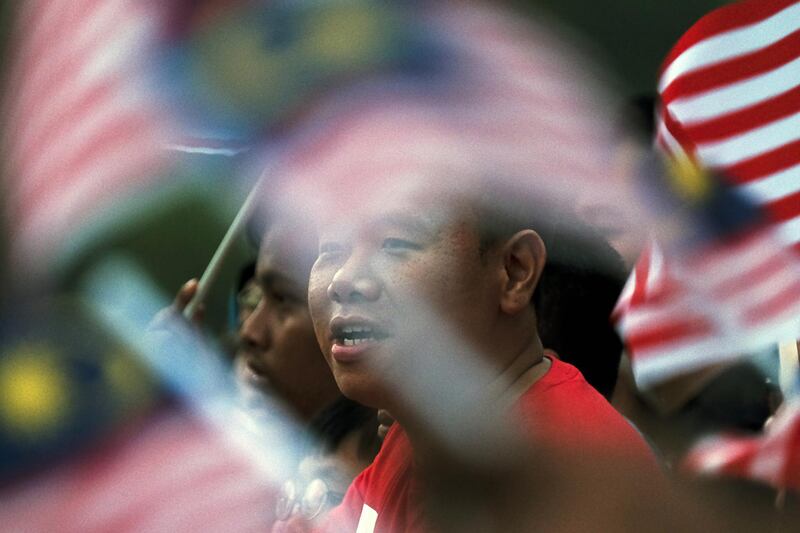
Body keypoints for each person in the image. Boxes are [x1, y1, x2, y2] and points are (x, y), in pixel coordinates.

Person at [273, 168, 660, 532]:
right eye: (330, 249)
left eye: (394, 243)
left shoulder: (573, 477)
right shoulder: (422, 438)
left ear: (515, 270)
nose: (343, 280)